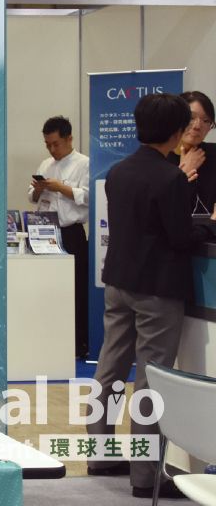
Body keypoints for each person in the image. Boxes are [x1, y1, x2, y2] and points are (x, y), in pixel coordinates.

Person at [85, 94, 216, 498]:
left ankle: (99, 454)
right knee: (150, 380)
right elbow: (180, 236)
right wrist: (210, 225)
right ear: (176, 131)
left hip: (118, 282)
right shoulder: (170, 178)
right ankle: (145, 477)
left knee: (109, 369)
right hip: (157, 289)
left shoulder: (119, 171)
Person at [27, 115, 90, 358]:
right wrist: (39, 189)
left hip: (71, 232)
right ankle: (49, 337)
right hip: (44, 231)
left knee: (76, 288)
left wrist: (59, 187)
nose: (52, 150)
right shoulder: (45, 165)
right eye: (48, 145)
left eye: (56, 144)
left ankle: (79, 343)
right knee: (48, 288)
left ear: (69, 138)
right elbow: (31, 196)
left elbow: (88, 197)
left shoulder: (84, 164)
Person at [171, 90, 214, 215]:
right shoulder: (159, 160)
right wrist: (182, 176)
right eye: (191, 118)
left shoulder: (213, 154)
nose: (197, 126)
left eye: (206, 120)